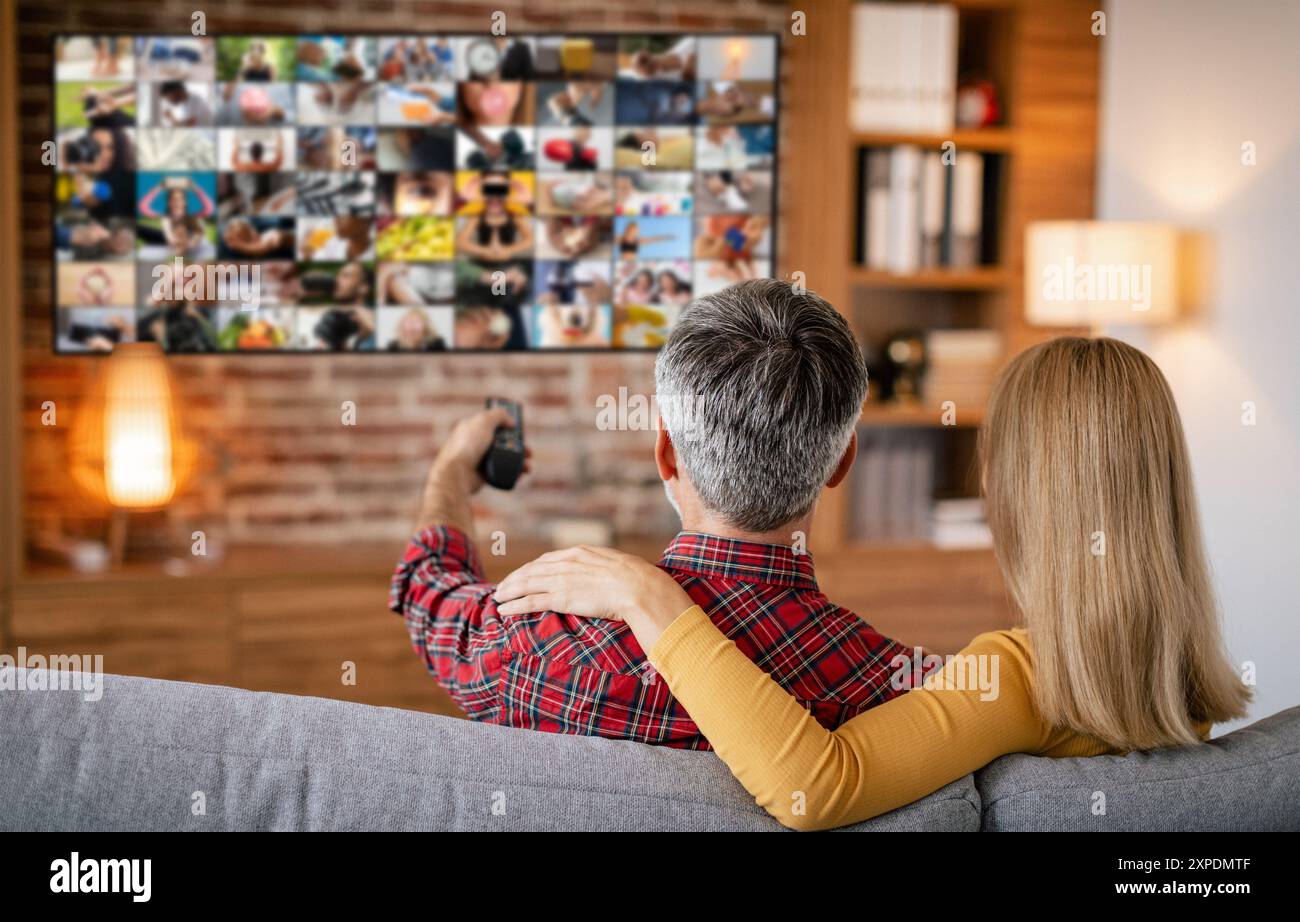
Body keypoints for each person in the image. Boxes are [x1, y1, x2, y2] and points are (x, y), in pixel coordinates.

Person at [494, 332, 1252, 829]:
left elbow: (814, 786)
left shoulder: (1024, 679)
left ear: (1023, 488)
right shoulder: (1177, 679)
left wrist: (649, 598)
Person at [389, 278, 914, 749]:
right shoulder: (890, 687)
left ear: (666, 452)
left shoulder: (536, 645)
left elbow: (428, 593)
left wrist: (454, 469)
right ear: (843, 459)